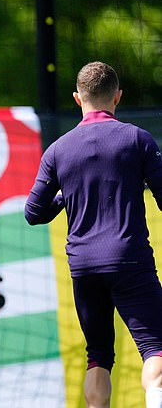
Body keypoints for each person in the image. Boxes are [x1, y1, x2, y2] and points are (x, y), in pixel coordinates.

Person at [25, 61, 162, 408]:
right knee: (155, 349)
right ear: (117, 97)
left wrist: (64, 195)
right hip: (130, 260)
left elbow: (33, 213)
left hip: (84, 267)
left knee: (98, 355)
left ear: (77, 98)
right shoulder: (138, 139)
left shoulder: (57, 150)